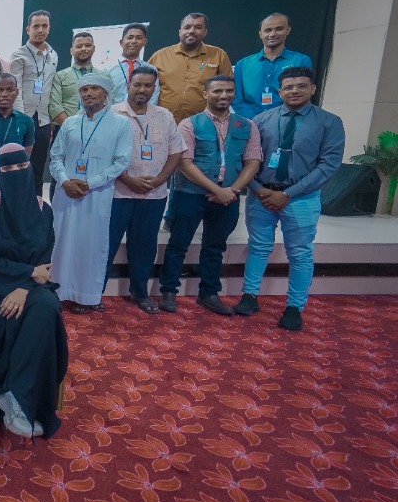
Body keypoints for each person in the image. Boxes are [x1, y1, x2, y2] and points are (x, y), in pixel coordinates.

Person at [236, 67, 344, 331]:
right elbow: (246, 159)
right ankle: (249, 296)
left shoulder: (329, 122)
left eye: (301, 86)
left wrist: (287, 194)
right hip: (261, 195)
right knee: (258, 247)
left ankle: (295, 307)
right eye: (288, 87)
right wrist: (257, 188)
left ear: (313, 89)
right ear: (280, 91)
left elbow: (328, 165)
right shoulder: (261, 120)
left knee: (300, 253)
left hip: (301, 198)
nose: (294, 91)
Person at [0, 143, 68, 439]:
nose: (14, 172)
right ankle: (13, 396)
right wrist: (26, 275)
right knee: (14, 316)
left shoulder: (44, 210)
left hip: (31, 287)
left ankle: (14, 396)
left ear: (30, 168)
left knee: (48, 307)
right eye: (7, 168)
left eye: (20, 166)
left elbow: (44, 262)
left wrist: (24, 287)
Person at [158, 75, 261, 315]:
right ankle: (169, 291)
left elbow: (252, 161)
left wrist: (231, 191)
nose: (224, 95)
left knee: (215, 246)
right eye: (217, 91)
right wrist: (217, 191)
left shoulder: (247, 125)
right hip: (190, 193)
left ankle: (209, 293)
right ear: (206, 94)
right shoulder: (189, 124)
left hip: (229, 195)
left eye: (229, 91)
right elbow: (185, 163)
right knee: (178, 243)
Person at [49, 73, 133, 314]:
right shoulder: (70, 123)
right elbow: (55, 157)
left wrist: (90, 184)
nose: (88, 94)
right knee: (60, 242)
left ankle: (86, 295)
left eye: (94, 89)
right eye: (84, 90)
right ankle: (57, 291)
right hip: (66, 194)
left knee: (91, 245)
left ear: (106, 94)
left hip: (97, 195)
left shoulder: (120, 124)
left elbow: (121, 162)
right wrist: (65, 181)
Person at [106, 65, 185, 314]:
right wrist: (128, 179)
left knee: (144, 247)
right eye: (138, 84)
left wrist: (160, 179)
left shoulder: (164, 115)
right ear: (128, 85)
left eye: (148, 85)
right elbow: (104, 154)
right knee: (107, 245)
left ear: (154, 88)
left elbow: (176, 151)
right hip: (118, 192)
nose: (142, 89)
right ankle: (94, 292)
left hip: (154, 194)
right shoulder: (112, 113)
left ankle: (140, 293)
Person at [149, 13, 234, 124]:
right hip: (162, 122)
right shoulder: (160, 56)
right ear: (180, 32)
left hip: (202, 125)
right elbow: (146, 86)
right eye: (187, 27)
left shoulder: (219, 55)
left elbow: (228, 90)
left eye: (198, 27)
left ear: (205, 32)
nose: (192, 31)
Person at [9, 10, 58, 195]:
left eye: (44, 26)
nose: (40, 30)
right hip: (23, 119)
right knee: (18, 167)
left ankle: (36, 205)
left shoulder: (53, 55)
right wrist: (22, 120)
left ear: (49, 28)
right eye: (36, 26)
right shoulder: (18, 55)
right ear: (28, 29)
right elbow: (16, 90)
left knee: (38, 169)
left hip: (43, 121)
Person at [232, 13, 312, 119]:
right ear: (260, 34)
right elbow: (236, 98)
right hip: (250, 122)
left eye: (279, 29)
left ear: (288, 30)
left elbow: (303, 95)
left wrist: (279, 121)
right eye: (268, 30)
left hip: (287, 121)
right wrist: (255, 120)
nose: (273, 34)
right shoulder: (242, 64)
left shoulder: (301, 61)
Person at [48, 32, 97, 127]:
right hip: (66, 128)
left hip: (97, 129)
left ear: (93, 48)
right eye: (79, 46)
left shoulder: (103, 76)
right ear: (71, 50)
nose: (83, 49)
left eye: (87, 45)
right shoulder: (59, 76)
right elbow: (55, 107)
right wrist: (73, 128)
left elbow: (109, 104)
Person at [103, 23, 159, 106]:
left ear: (145, 42)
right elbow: (104, 96)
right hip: (114, 112)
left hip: (142, 112)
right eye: (130, 37)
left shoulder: (151, 70)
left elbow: (153, 96)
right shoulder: (107, 69)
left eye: (139, 38)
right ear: (121, 42)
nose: (134, 41)